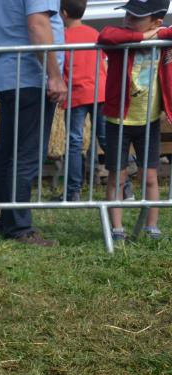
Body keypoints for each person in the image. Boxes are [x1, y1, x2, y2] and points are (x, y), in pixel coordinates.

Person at [0, 0, 67, 247]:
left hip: (10, 75)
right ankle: (20, 228)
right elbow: (37, 24)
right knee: (26, 154)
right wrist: (54, 75)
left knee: (8, 152)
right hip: (30, 76)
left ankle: (1, 219)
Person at [98, 0, 172, 241]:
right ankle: (117, 229)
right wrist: (144, 34)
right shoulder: (120, 40)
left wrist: (160, 34)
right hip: (118, 121)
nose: (128, 18)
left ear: (157, 21)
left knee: (150, 177)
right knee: (116, 177)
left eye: (136, 16)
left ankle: (152, 227)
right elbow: (106, 35)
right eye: (127, 13)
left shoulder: (163, 42)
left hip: (149, 121)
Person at [57, 0, 108, 202]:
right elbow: (103, 64)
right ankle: (125, 187)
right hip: (100, 92)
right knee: (107, 140)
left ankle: (73, 191)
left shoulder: (61, 37)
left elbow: (60, 67)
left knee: (74, 144)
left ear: (64, 12)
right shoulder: (94, 34)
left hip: (76, 95)